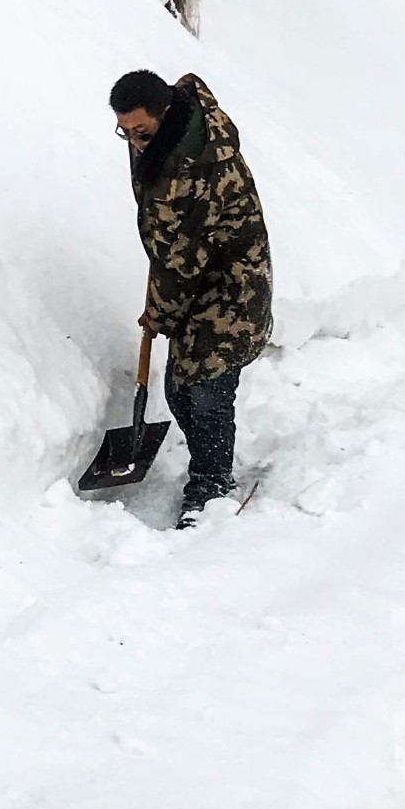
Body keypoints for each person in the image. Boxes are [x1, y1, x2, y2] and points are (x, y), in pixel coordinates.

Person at [109, 69, 273, 528]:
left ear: (165, 114)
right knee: (180, 388)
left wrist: (159, 313)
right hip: (195, 269)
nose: (134, 142)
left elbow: (183, 259)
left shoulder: (195, 173)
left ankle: (212, 484)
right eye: (125, 132)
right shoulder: (172, 126)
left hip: (231, 286)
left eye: (141, 132)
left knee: (202, 391)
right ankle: (209, 465)